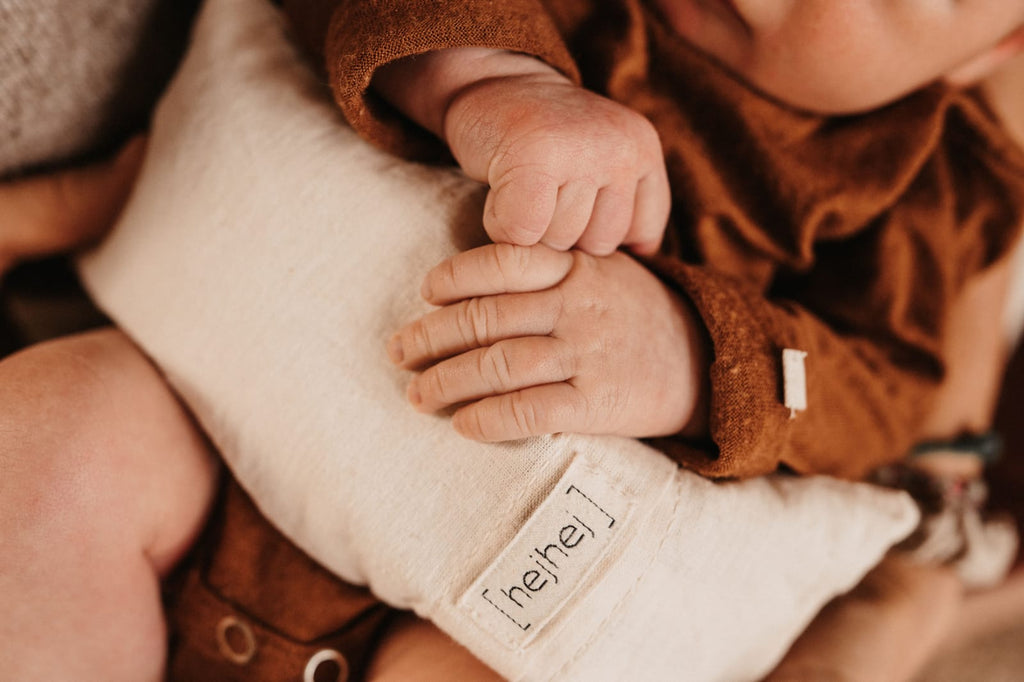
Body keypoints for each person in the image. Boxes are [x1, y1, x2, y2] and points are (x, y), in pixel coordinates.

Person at [2, 3, 1024, 682]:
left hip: (473, 617)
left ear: (995, 50)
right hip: (215, 449)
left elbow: (883, 395)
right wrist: (487, 79)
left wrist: (695, 356)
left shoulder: (931, 188)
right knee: (48, 441)